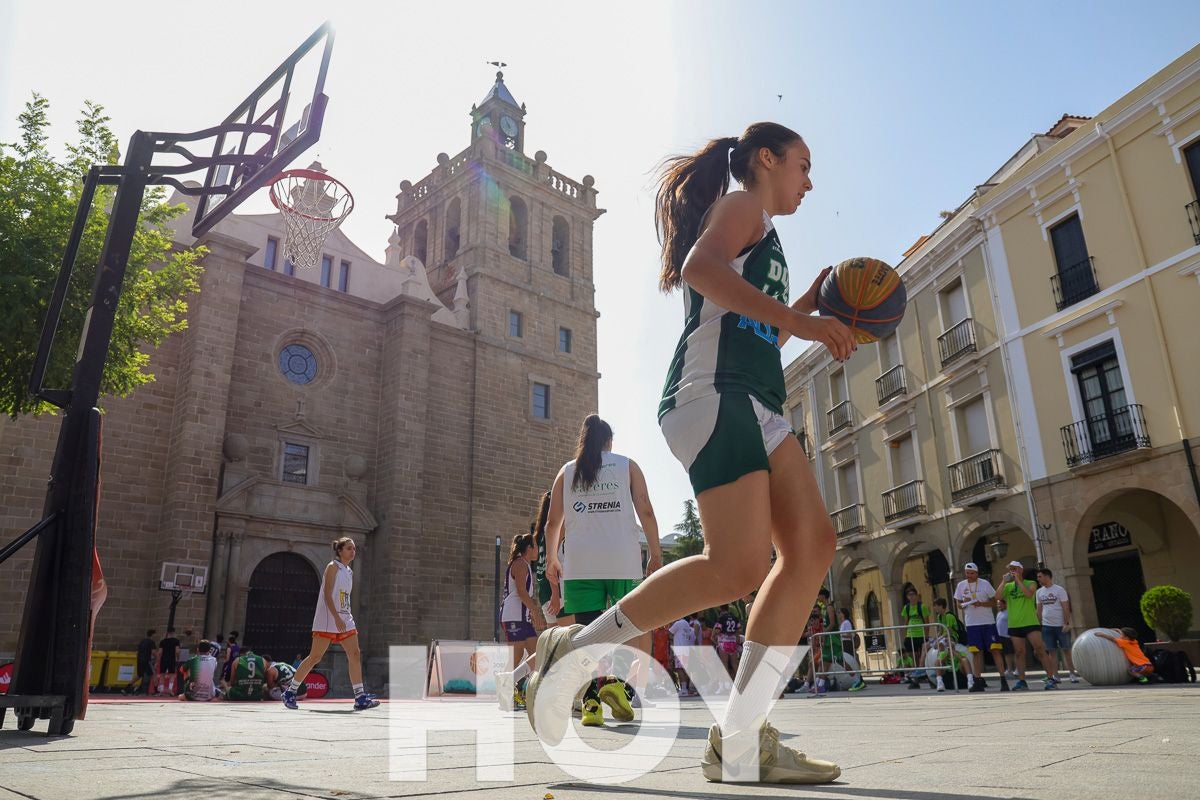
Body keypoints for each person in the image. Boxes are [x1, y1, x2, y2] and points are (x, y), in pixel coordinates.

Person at [527, 124, 849, 784]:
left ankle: (740, 737)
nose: (810, 182)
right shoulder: (740, 207)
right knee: (737, 567)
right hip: (712, 395)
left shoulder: (766, 234)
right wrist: (798, 318)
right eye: (803, 166)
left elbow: (752, 333)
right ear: (767, 159)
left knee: (813, 545)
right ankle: (577, 651)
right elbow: (700, 273)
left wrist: (808, 309)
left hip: (754, 397)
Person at [539, 414, 663, 728]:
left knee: (589, 634)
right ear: (609, 442)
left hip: (581, 564)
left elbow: (553, 523)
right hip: (622, 559)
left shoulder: (567, 471)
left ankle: (591, 702)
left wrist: (552, 559)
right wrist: (655, 553)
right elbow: (645, 508)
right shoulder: (627, 465)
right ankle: (616, 686)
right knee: (629, 629)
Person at [282, 537, 379, 710]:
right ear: (340, 550)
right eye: (349, 548)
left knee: (355, 654)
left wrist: (344, 616)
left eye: (354, 549)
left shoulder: (349, 571)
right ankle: (290, 691)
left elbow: (345, 598)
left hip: (345, 617)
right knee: (315, 657)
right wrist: (335, 617)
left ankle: (360, 697)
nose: (353, 551)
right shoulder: (332, 567)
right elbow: (327, 595)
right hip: (328, 618)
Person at [499, 531, 545, 710]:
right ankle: (505, 695)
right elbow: (521, 591)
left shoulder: (524, 564)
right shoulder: (520, 564)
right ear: (528, 548)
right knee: (516, 657)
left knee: (537, 654)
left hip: (521, 618)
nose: (538, 549)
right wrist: (535, 611)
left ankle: (525, 692)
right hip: (513, 617)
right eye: (536, 545)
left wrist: (532, 613)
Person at [953, 561, 1010, 693]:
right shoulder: (961, 585)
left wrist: (982, 604)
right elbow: (958, 604)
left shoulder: (985, 584)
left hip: (987, 622)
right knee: (976, 652)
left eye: (972, 573)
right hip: (972, 624)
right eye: (967, 573)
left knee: (995, 650)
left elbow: (993, 601)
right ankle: (978, 680)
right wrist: (964, 603)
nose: (969, 575)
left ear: (977, 573)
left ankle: (1003, 679)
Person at [1000, 560, 1057, 690]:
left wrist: (1018, 580)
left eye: (1014, 568)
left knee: (1040, 649)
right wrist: (1004, 582)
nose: (1012, 571)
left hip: (1030, 622)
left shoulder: (1030, 583)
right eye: (1010, 569)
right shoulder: (1008, 587)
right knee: (1019, 653)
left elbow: (1028, 594)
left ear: (1020, 570)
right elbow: (997, 596)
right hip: (1015, 624)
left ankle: (1050, 678)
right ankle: (1021, 681)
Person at [1036, 567, 1079, 683]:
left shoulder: (1059, 590)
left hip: (1060, 625)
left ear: (1047, 576)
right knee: (1051, 652)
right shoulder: (1039, 592)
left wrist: (1066, 623)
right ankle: (1055, 675)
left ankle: (1072, 674)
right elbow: (1039, 609)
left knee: (1066, 650)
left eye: (1040, 576)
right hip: (1046, 626)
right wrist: (1039, 625)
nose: (1038, 579)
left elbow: (1066, 607)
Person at [924, 598, 972, 692]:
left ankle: (970, 680)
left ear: (941, 606)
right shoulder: (939, 617)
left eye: (936, 606)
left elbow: (949, 631)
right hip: (944, 636)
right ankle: (939, 672)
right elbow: (941, 630)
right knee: (933, 645)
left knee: (943, 642)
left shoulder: (949, 616)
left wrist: (940, 639)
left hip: (953, 636)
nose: (934, 608)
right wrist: (935, 639)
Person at [900, 588, 930, 689]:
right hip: (910, 635)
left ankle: (925, 675)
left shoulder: (922, 607)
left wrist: (926, 635)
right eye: (909, 595)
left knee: (922, 656)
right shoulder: (906, 607)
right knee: (913, 657)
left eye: (913, 594)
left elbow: (927, 622)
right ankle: (915, 679)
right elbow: (906, 621)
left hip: (920, 635)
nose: (911, 597)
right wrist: (905, 634)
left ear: (917, 595)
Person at [835, 608, 866, 692]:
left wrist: (839, 635)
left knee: (848, 661)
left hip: (847, 644)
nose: (839, 614)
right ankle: (858, 680)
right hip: (844, 643)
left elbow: (849, 634)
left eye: (840, 612)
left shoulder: (846, 622)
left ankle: (858, 680)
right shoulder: (843, 623)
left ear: (844, 613)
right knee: (847, 661)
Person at [669, 615, 698, 696]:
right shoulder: (687, 625)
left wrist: (671, 623)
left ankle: (684, 689)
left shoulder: (679, 623)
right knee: (685, 669)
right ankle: (686, 688)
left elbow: (669, 632)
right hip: (686, 650)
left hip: (679, 650)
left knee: (679, 669)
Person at [126, 629, 156, 695]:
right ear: (153, 635)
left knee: (139, 674)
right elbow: (153, 652)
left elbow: (138, 651)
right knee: (153, 674)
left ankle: (127, 687)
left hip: (139, 659)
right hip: (147, 660)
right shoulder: (151, 642)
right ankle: (156, 690)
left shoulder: (142, 641)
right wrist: (157, 657)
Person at [154, 627, 181, 696]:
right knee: (172, 675)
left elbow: (160, 652)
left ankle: (161, 690)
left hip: (163, 659)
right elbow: (177, 651)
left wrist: (157, 662)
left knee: (162, 674)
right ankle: (170, 689)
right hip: (172, 659)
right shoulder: (176, 641)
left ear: (167, 632)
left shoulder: (163, 641)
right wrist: (178, 658)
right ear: (174, 632)